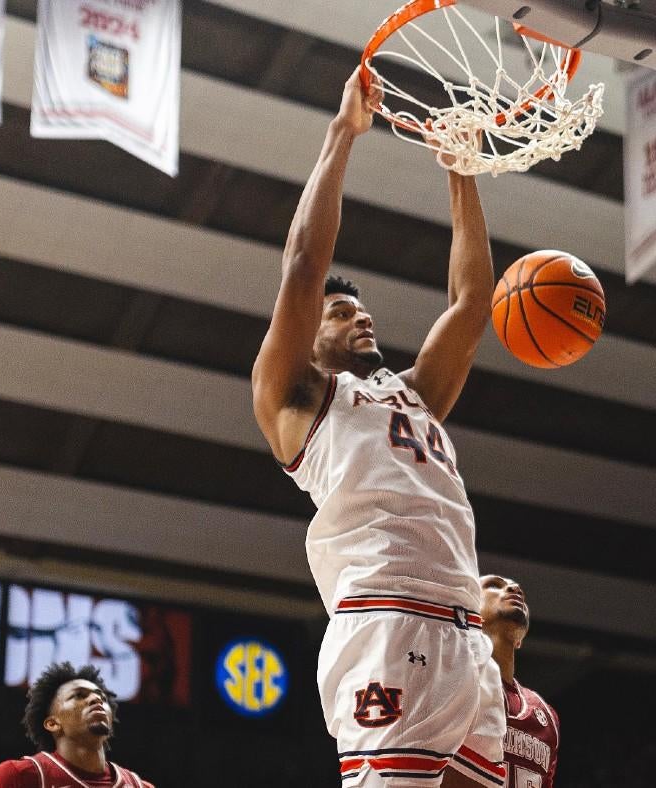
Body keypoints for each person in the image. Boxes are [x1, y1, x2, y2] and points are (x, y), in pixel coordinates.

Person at [251, 67, 503, 788]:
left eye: (359, 309)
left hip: (464, 637)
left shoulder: (416, 395)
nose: (358, 315)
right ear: (308, 336)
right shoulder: (296, 397)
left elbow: (474, 299)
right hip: (386, 620)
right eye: (339, 312)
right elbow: (304, 266)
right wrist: (342, 135)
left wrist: (461, 168)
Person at [0, 662, 153, 788]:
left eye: (101, 697)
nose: (96, 699)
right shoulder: (18, 777)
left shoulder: (141, 786)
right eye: (79, 695)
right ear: (53, 723)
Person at [479, 575, 560, 787]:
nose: (514, 588)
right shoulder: (448, 684)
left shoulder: (547, 715)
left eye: (519, 591)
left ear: (520, 640)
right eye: (494, 585)